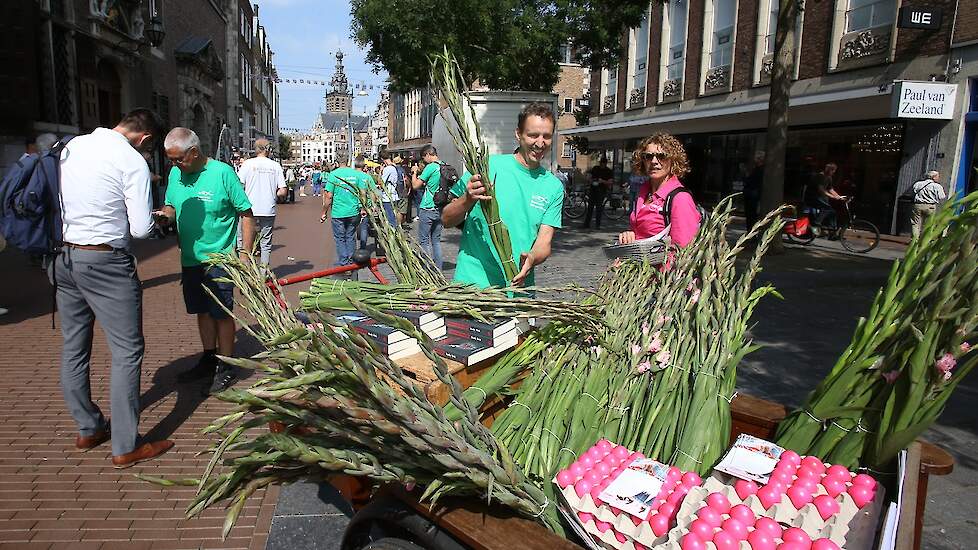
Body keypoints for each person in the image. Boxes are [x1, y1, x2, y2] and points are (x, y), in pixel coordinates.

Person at [53, 108, 174, 468]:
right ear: (146, 139)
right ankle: (125, 444)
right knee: (126, 352)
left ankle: (88, 427)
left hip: (66, 256)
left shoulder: (72, 146)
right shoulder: (131, 161)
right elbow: (139, 229)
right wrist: (158, 219)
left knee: (75, 345)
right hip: (106, 261)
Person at [155, 128, 255, 394]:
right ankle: (209, 358)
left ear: (194, 152)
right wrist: (165, 215)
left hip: (220, 259)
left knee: (221, 313)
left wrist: (244, 253)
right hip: (190, 259)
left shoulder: (222, 173)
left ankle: (226, 366)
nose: (173, 165)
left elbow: (246, 213)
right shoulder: (176, 174)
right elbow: (171, 205)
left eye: (178, 159)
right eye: (170, 160)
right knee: (201, 310)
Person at [442, 102, 564, 288]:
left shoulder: (553, 186)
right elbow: (446, 219)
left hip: (518, 288)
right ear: (518, 134)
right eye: (533, 135)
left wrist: (532, 257)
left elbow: (544, 242)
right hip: (473, 286)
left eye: (546, 136)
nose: (540, 143)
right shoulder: (487, 167)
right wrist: (467, 199)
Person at [618, 133, 701, 247]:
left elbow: (684, 250)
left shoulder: (680, 199)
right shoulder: (643, 193)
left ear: (673, 160)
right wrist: (630, 235)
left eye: (662, 156)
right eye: (648, 156)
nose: (654, 161)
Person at [237, 138, 287, 265]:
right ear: (268, 149)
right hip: (267, 209)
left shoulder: (247, 164)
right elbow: (282, 191)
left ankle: (246, 272)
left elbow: (238, 185)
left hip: (249, 209)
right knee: (265, 244)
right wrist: (273, 194)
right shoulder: (275, 166)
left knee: (244, 242)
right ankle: (263, 274)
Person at [321, 152, 370, 267]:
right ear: (348, 161)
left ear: (337, 162)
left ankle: (344, 262)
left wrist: (324, 212)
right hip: (353, 212)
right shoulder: (355, 174)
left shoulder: (333, 175)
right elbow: (363, 193)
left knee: (339, 237)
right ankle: (351, 260)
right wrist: (363, 208)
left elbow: (329, 196)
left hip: (338, 212)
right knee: (350, 235)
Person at [412, 146, 446, 269]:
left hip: (427, 207)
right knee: (436, 241)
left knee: (424, 241)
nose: (423, 160)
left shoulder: (430, 167)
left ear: (428, 154)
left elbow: (415, 185)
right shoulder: (443, 166)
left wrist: (414, 172)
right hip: (440, 208)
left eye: (423, 157)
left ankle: (427, 268)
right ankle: (438, 268)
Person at [806, 163, 846, 229]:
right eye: (832, 170)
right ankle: (816, 223)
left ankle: (831, 229)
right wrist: (832, 197)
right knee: (827, 209)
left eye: (834, 171)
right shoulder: (820, 176)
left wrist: (839, 196)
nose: (833, 172)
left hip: (820, 198)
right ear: (828, 170)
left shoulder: (829, 178)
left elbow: (830, 189)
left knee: (833, 212)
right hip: (813, 197)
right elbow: (821, 190)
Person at [910, 170, 946, 238]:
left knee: (915, 224)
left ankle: (914, 241)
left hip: (918, 205)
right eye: (938, 176)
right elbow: (942, 197)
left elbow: (913, 192)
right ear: (934, 177)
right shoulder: (937, 186)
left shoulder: (918, 184)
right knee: (928, 224)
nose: (939, 178)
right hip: (930, 206)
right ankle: (924, 240)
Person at [584, 157, 614, 229]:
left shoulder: (608, 171)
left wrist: (602, 181)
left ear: (605, 164)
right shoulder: (595, 168)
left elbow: (610, 182)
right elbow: (589, 177)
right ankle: (586, 224)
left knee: (599, 208)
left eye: (603, 163)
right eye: (601, 163)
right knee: (590, 207)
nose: (602, 165)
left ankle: (598, 225)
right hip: (593, 190)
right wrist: (591, 180)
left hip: (601, 191)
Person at [742, 151, 765, 230]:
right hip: (751, 194)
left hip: (752, 195)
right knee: (750, 215)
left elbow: (753, 181)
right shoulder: (757, 169)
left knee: (751, 215)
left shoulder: (760, 170)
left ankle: (751, 232)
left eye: (757, 158)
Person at [379, 152, 400, 226]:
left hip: (387, 197)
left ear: (382, 159)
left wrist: (381, 171)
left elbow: (381, 183)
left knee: (390, 218)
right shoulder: (394, 167)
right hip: (394, 195)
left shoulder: (388, 169)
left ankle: (393, 234)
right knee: (394, 217)